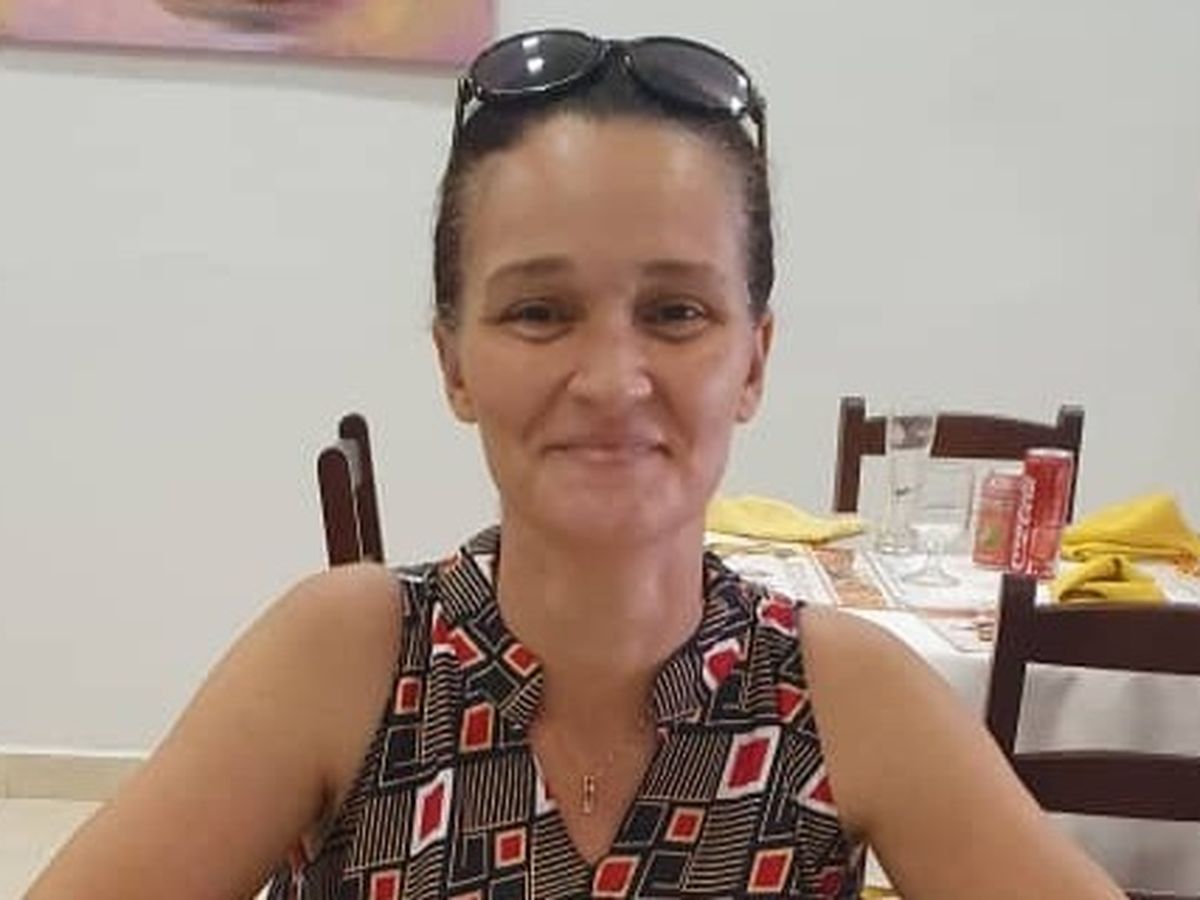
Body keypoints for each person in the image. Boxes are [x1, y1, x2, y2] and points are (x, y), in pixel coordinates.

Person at [29, 28, 1123, 900]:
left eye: (676, 312)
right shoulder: (346, 659)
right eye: (539, 312)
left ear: (753, 361)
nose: (610, 378)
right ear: (454, 362)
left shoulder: (845, 698)